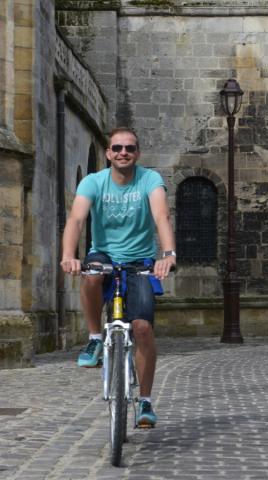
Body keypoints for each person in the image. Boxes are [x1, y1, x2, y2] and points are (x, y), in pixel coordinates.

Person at [60, 127, 176, 428]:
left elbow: (161, 217)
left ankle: (146, 401)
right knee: (91, 275)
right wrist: (69, 255)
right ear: (108, 153)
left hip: (139, 261)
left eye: (130, 148)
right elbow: (75, 219)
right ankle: (95, 339)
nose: (123, 152)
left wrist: (168, 254)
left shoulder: (150, 180)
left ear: (137, 153)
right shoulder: (94, 182)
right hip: (105, 255)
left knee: (142, 329)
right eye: (117, 148)